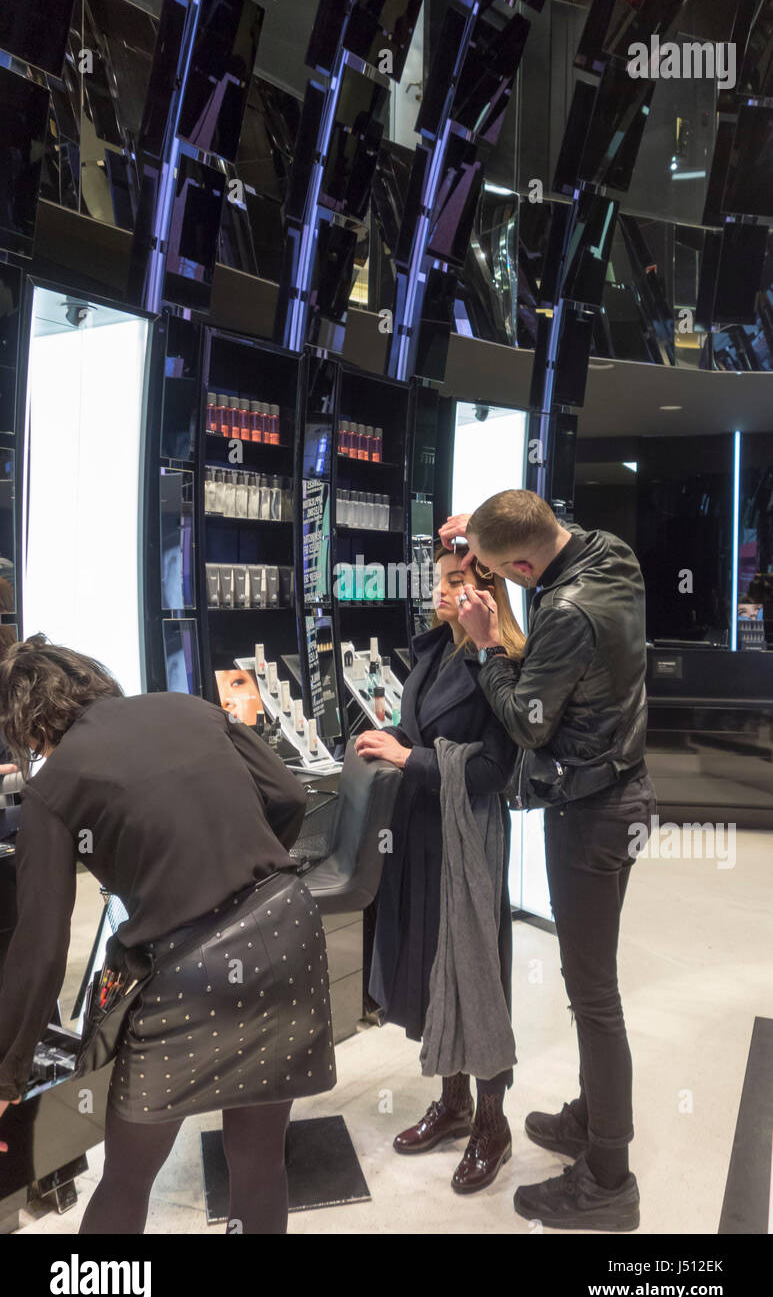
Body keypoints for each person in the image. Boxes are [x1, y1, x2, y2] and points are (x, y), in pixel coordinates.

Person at [0, 636, 336, 1234]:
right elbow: (287, 795)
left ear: (28, 727)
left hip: (188, 973)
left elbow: (40, 947)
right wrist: (242, 869)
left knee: (128, 1175)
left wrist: (6, 1074)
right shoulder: (191, 708)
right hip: (288, 929)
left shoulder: (51, 791)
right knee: (259, 1158)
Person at [440, 491, 655, 1232]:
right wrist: (477, 529)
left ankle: (607, 1179)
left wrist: (488, 644)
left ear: (526, 565)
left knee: (594, 998)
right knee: (589, 986)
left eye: (503, 575)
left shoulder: (562, 614)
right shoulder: (609, 551)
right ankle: (590, 1121)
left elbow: (531, 724)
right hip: (628, 792)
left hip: (590, 814)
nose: (497, 585)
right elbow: (530, 522)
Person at [355, 543, 524, 1194]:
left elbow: (492, 772)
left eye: (456, 581)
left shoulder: (499, 662)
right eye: (441, 580)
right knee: (431, 962)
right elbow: (416, 733)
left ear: (485, 594)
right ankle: (453, 1103)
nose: (441, 590)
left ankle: (491, 1124)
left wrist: (407, 760)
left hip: (466, 836)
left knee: (475, 971)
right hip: (420, 828)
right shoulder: (433, 651)